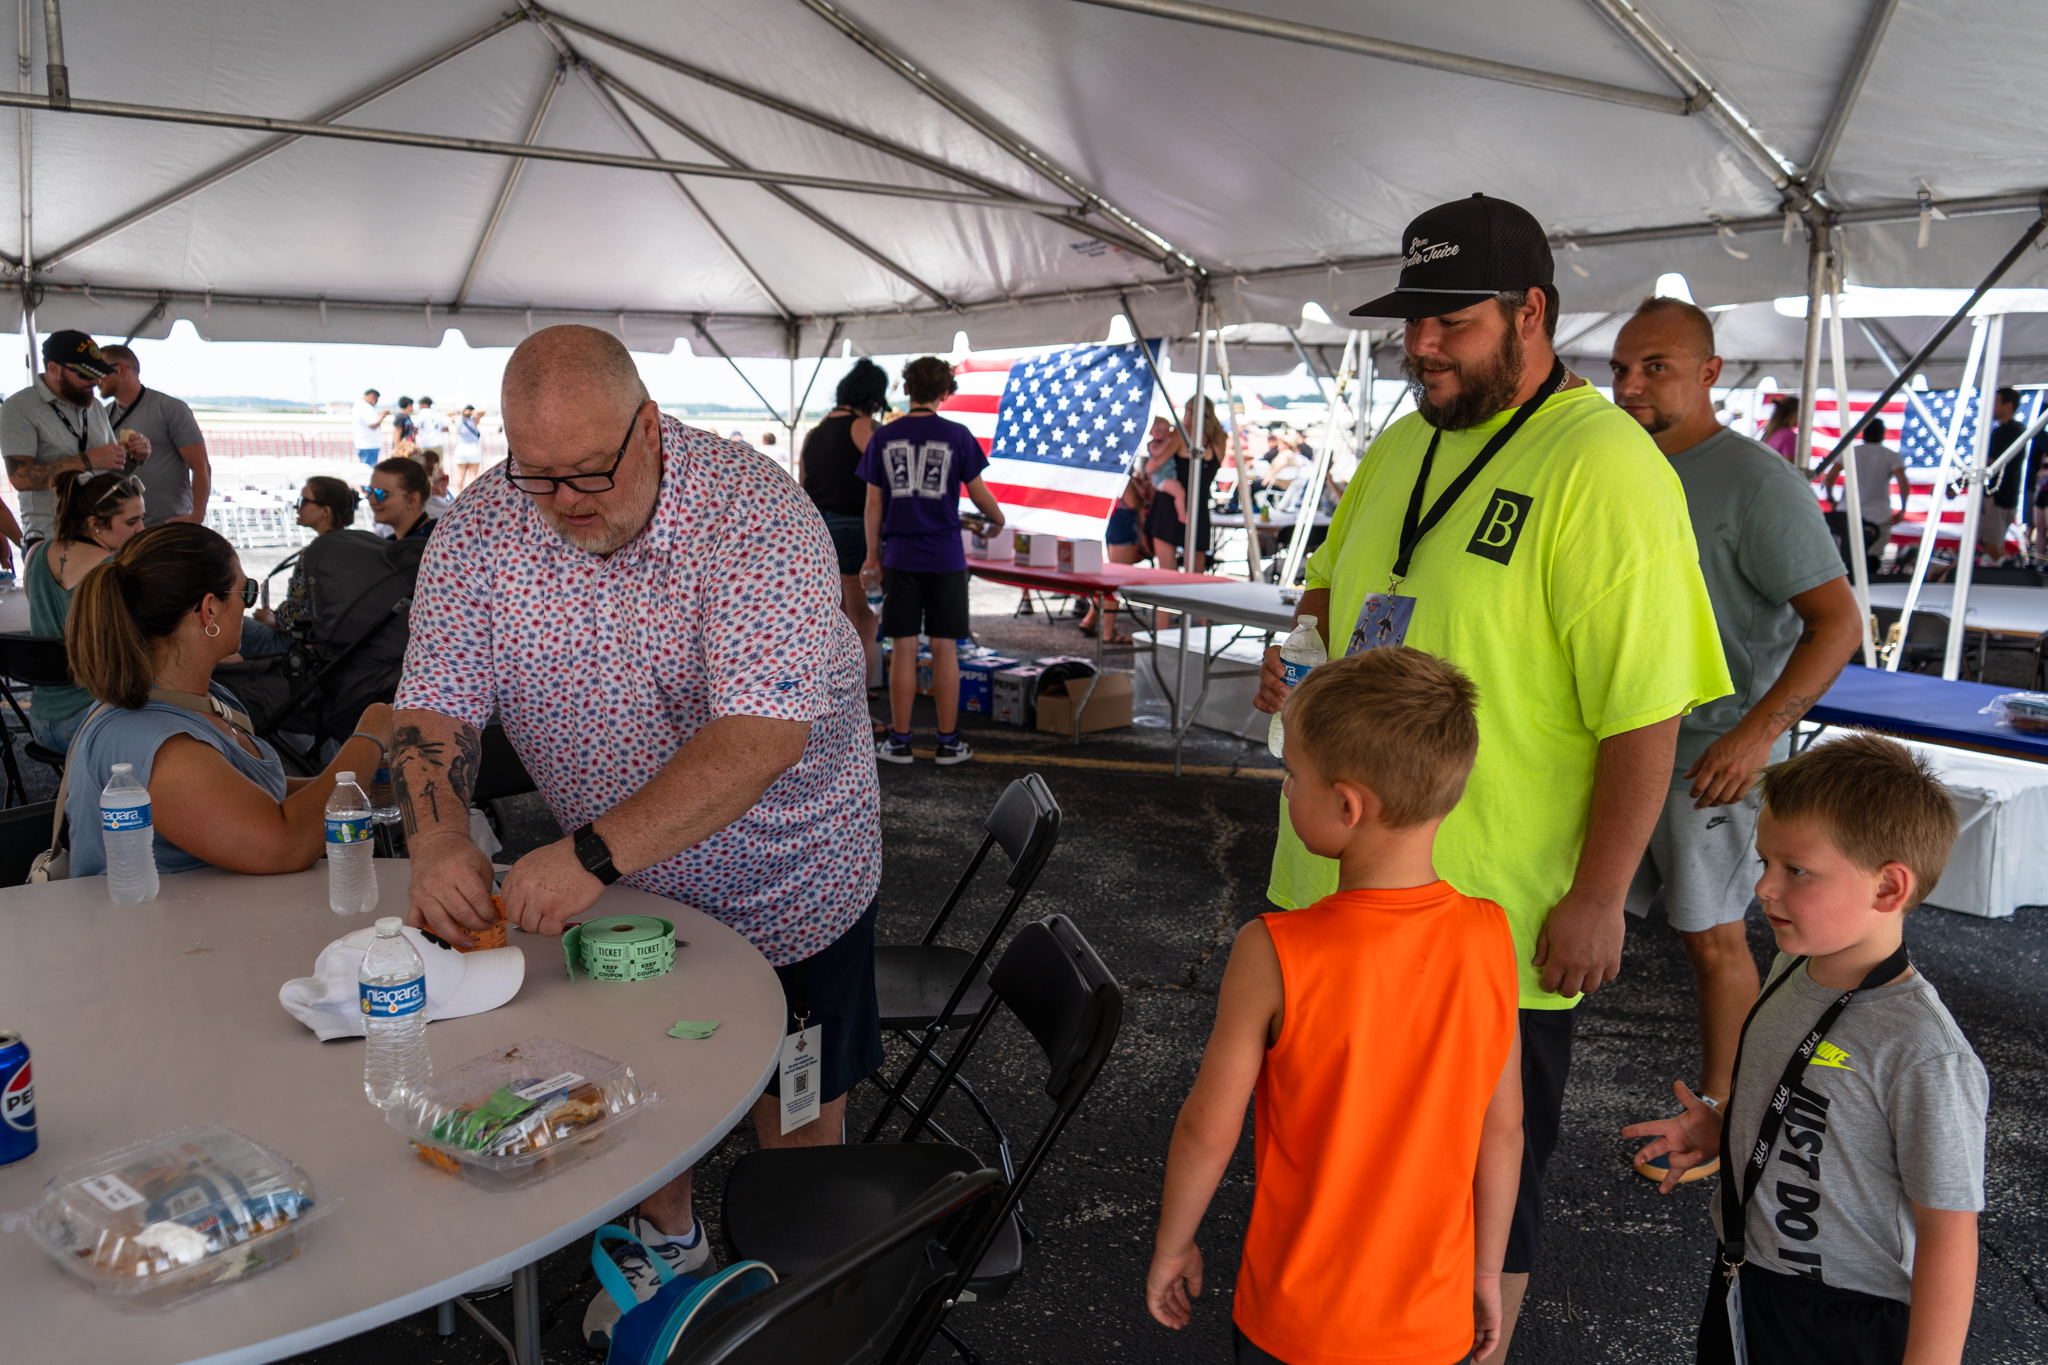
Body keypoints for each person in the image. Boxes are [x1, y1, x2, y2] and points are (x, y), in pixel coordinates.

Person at [1256, 193, 1731, 1364]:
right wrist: (1304, 661)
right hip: (1327, 904)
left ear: (1529, 313)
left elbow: (1644, 711)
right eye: (1409, 322)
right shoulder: (1403, 440)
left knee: (1477, 1200)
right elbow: (1330, 591)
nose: (1420, 346)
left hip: (1485, 922)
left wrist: (1598, 896)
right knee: (1321, 1170)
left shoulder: (1604, 466)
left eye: (1450, 323)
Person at [388, 325, 882, 1352]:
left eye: (590, 472)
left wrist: (590, 853)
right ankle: (672, 1244)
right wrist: (436, 839)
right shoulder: (480, 531)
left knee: (794, 1101)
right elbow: (432, 704)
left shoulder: (754, 515)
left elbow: (759, 737)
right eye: (537, 475)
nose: (565, 501)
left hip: (788, 874)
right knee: (635, 1069)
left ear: (650, 428)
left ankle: (802, 1283)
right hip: (625, 891)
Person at [1149, 647, 1522, 1365]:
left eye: (1294, 774)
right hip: (1431, 1322)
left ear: (1348, 806)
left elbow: (1206, 1128)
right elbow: (1502, 1131)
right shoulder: (1490, 935)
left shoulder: (1272, 950)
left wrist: (1174, 1244)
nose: (1287, 789)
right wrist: (1484, 1272)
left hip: (1298, 1319)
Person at [1608, 296, 1863, 1182]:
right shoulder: (1619, 467)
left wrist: (1756, 739)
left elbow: (1838, 624)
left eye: (1656, 367)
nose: (1630, 385)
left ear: (1711, 372)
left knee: (1712, 939)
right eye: (1621, 368)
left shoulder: (1757, 481)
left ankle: (1722, 1121)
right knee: (1576, 913)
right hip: (1621, 744)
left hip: (1711, 758)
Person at [1625, 735, 1985, 1365]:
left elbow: (1948, 1233)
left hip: (1845, 1319)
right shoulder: (1793, 968)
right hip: (1747, 1276)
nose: (1764, 887)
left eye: (1796, 870)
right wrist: (1727, 1130)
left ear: (1888, 887)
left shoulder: (1924, 1051)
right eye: (1764, 861)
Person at [62, 522, 392, 876]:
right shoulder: (152, 740)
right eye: (246, 592)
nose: (247, 605)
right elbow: (284, 846)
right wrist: (368, 737)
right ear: (210, 609)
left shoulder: (203, 698)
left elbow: (256, 792)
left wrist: (357, 783)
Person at [859, 355, 1004, 766]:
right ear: (945, 391)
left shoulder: (883, 437)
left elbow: (873, 505)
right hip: (946, 557)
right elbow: (979, 494)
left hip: (899, 556)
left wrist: (872, 555)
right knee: (944, 648)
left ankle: (900, 741)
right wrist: (997, 520)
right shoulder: (958, 435)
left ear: (907, 388)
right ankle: (948, 742)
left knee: (903, 648)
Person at [24, 469, 147, 750]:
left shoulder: (35, 554)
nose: (141, 529)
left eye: (142, 518)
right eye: (132, 521)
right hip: (93, 723)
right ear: (94, 524)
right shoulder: (115, 570)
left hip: (40, 723)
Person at [2, 330, 141, 549]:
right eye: (85, 375)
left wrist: (134, 458)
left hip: (99, 535)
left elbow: (111, 472)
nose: (95, 382)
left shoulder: (94, 407)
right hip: (51, 538)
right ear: (54, 369)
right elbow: (20, 477)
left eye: (98, 374)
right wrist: (86, 461)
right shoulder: (20, 407)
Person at [799, 357, 889, 695]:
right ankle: (858, 712)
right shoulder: (863, 427)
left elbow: (803, 487)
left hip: (818, 534)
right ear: (872, 397)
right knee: (863, 629)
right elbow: (885, 478)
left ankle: (835, 710)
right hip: (854, 529)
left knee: (834, 629)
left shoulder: (813, 434)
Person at [96, 344, 210, 528]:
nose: (95, 379)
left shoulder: (169, 408)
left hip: (168, 526)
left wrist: (196, 516)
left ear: (122, 369)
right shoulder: (103, 415)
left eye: (100, 371)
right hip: (122, 529)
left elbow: (200, 465)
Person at [247, 476, 358, 656]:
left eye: (304, 500)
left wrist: (269, 619)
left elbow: (294, 616)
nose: (296, 506)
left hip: (304, 645)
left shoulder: (314, 554)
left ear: (325, 511)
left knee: (230, 628)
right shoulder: (354, 546)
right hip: (340, 643)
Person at [1818, 416, 1911, 579]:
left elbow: (1830, 477)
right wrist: (1903, 508)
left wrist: (1831, 499)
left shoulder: (1850, 452)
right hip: (1879, 516)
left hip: (1849, 513)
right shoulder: (1891, 455)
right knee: (1872, 559)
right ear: (1882, 433)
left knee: (1849, 555)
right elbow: (1903, 481)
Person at [1147, 396, 1226, 574]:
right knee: (1195, 577)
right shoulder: (1220, 438)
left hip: (1169, 506)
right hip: (1198, 507)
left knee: (1167, 575)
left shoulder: (1183, 432)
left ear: (1190, 412)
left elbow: (1153, 465)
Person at [1980, 386, 2025, 562]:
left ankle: (2003, 572)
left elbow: (1990, 464)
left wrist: (1958, 484)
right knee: (1986, 542)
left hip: (1999, 497)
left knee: (1991, 543)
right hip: (2001, 497)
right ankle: (1995, 570)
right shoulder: (2012, 430)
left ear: (2008, 405)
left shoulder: (2009, 430)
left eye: (1995, 402)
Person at [367, 456, 436, 541]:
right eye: (369, 491)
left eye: (381, 494)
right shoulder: (394, 541)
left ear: (412, 499)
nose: (372, 500)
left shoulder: (434, 542)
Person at [451, 404, 485, 491]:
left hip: (461, 448)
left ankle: (459, 494)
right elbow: (483, 411)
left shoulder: (458, 420)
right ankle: (472, 494)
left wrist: (461, 412)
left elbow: (449, 413)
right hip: (473, 448)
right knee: (473, 475)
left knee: (460, 475)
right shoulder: (474, 420)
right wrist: (472, 412)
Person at [1761, 395, 1803, 461]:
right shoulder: (1789, 435)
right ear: (1791, 413)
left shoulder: (1770, 433)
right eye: (1799, 413)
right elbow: (1790, 465)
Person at [352, 388, 387, 465]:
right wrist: (381, 417)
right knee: (368, 470)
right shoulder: (365, 407)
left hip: (365, 444)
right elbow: (373, 425)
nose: (375, 403)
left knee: (366, 468)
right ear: (371, 396)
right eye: (376, 400)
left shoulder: (359, 405)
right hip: (369, 445)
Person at [413, 395, 449, 467]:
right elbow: (446, 428)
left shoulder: (423, 412)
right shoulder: (437, 413)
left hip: (426, 445)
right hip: (438, 444)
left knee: (426, 468)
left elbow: (415, 427)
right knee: (438, 467)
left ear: (424, 404)